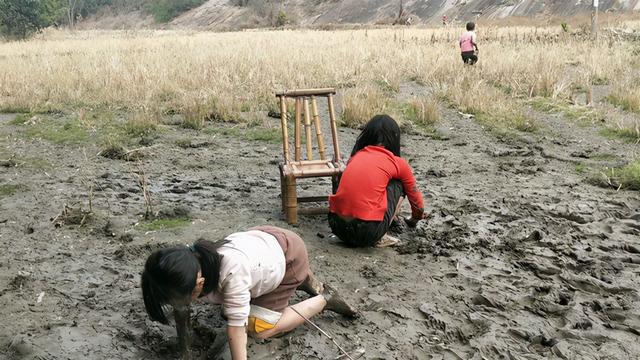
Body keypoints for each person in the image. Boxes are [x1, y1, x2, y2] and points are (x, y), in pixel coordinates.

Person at [141, 226, 357, 360]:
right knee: (235, 301)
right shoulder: (188, 262)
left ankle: (324, 298)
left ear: (200, 283)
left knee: (257, 327)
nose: (177, 303)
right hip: (264, 239)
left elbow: (236, 330)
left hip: (288, 257)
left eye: (180, 298)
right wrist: (184, 353)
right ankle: (303, 278)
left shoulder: (233, 272)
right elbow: (181, 307)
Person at [328, 115, 427, 248]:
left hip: (337, 227)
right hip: (367, 233)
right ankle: (381, 236)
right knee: (399, 183)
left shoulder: (356, 157)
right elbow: (418, 204)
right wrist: (415, 218)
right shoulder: (398, 163)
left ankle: (382, 221)